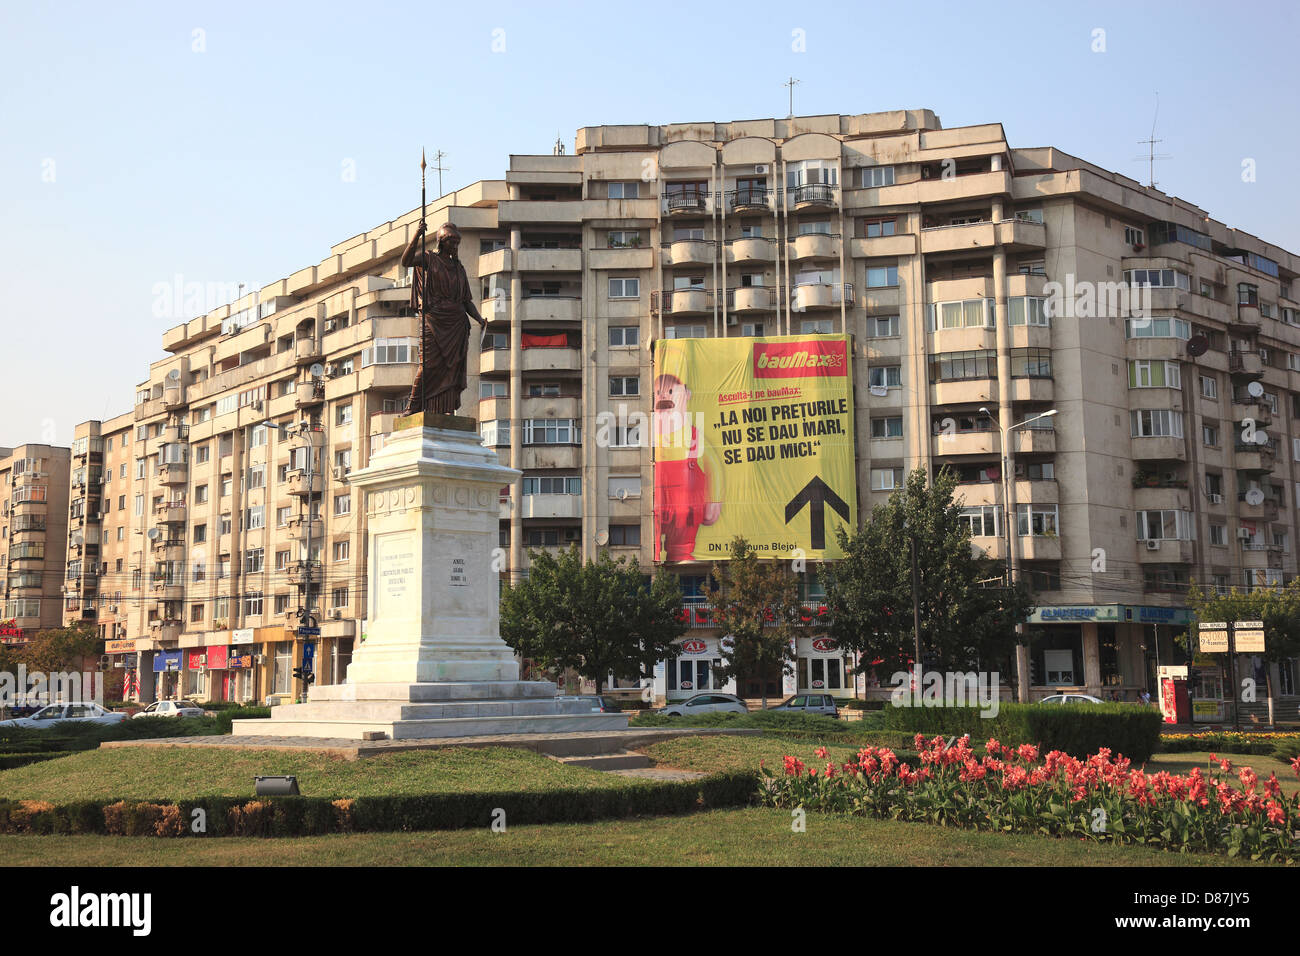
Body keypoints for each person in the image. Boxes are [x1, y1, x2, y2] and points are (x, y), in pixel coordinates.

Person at [401, 221, 486, 415]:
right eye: (451, 242)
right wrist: (416, 235)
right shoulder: (429, 259)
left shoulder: (459, 268)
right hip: (433, 319)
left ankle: (444, 410)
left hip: (456, 322)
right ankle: (413, 406)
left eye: (457, 243)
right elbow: (406, 262)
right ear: (441, 242)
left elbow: (466, 301)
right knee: (428, 365)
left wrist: (479, 319)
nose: (455, 246)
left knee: (451, 368)